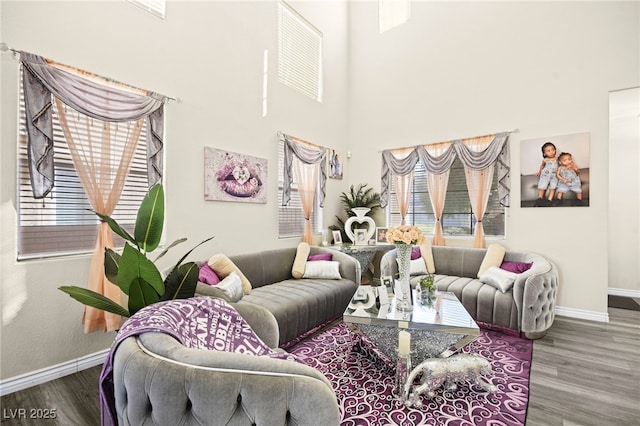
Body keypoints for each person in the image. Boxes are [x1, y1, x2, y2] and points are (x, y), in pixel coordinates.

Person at [534, 142, 558, 206]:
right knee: (542, 186)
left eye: (553, 149)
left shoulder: (558, 159)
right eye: (548, 151)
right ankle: (540, 199)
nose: (551, 152)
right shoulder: (545, 160)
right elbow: (542, 166)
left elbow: (561, 167)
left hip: (554, 176)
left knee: (553, 187)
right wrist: (539, 172)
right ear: (544, 153)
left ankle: (550, 200)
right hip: (545, 175)